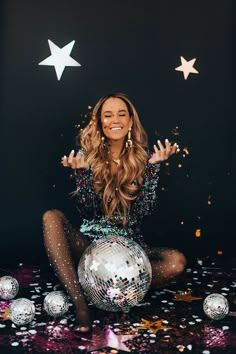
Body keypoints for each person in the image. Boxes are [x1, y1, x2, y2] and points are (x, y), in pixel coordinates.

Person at [42, 93, 186, 333]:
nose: (115, 120)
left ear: (130, 121)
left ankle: (105, 290)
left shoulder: (143, 158)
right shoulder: (86, 157)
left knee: (176, 262)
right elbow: (88, 211)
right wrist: (83, 175)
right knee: (51, 217)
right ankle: (81, 305)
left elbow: (143, 212)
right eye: (108, 115)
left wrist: (152, 170)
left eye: (122, 114)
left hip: (129, 253)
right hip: (90, 249)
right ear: (100, 122)